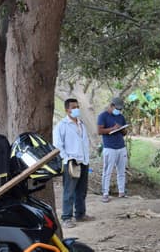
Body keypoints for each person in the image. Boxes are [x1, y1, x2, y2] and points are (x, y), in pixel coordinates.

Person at [53, 98, 94, 229]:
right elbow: (58, 146)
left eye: (77, 107)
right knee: (69, 191)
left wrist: (86, 158)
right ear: (67, 110)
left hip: (83, 161)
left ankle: (80, 214)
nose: (76, 109)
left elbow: (84, 142)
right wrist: (67, 158)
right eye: (73, 107)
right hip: (71, 162)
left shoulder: (81, 124)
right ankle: (66, 217)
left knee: (82, 190)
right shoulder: (62, 125)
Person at [98, 97, 129, 203]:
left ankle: (121, 192)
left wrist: (122, 129)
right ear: (111, 106)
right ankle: (105, 193)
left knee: (121, 171)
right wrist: (112, 129)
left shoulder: (121, 117)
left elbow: (124, 132)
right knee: (107, 171)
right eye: (117, 108)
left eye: (120, 109)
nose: (118, 111)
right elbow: (100, 130)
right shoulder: (103, 116)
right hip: (109, 147)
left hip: (121, 147)